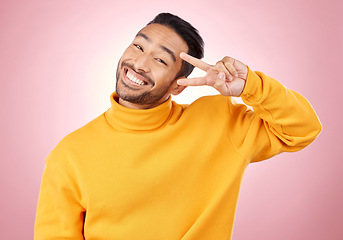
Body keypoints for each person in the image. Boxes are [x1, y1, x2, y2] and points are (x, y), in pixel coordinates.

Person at [34, 12, 322, 240]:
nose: (140, 63)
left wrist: (252, 86)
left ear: (177, 85)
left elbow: (303, 129)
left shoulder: (219, 122)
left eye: (160, 59)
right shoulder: (68, 155)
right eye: (138, 45)